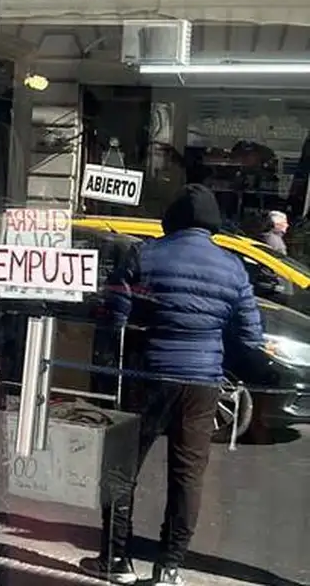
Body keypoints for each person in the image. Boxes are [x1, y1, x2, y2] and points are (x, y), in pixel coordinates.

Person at [80, 184, 264, 586]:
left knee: (121, 468)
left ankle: (116, 559)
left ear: (172, 218)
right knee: (187, 476)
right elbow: (251, 337)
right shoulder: (232, 267)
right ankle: (170, 567)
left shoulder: (144, 254)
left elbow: (114, 317)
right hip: (202, 383)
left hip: (149, 374)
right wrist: (217, 354)